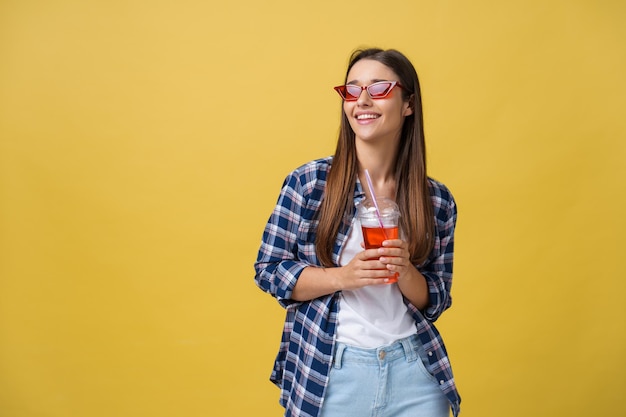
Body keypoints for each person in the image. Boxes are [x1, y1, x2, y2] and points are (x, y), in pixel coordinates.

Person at [254, 48, 461, 417]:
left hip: (414, 371)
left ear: (408, 103)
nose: (362, 100)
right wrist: (344, 277)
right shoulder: (310, 183)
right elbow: (269, 270)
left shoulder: (437, 200)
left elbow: (437, 298)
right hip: (332, 371)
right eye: (352, 90)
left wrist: (406, 271)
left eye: (379, 88)